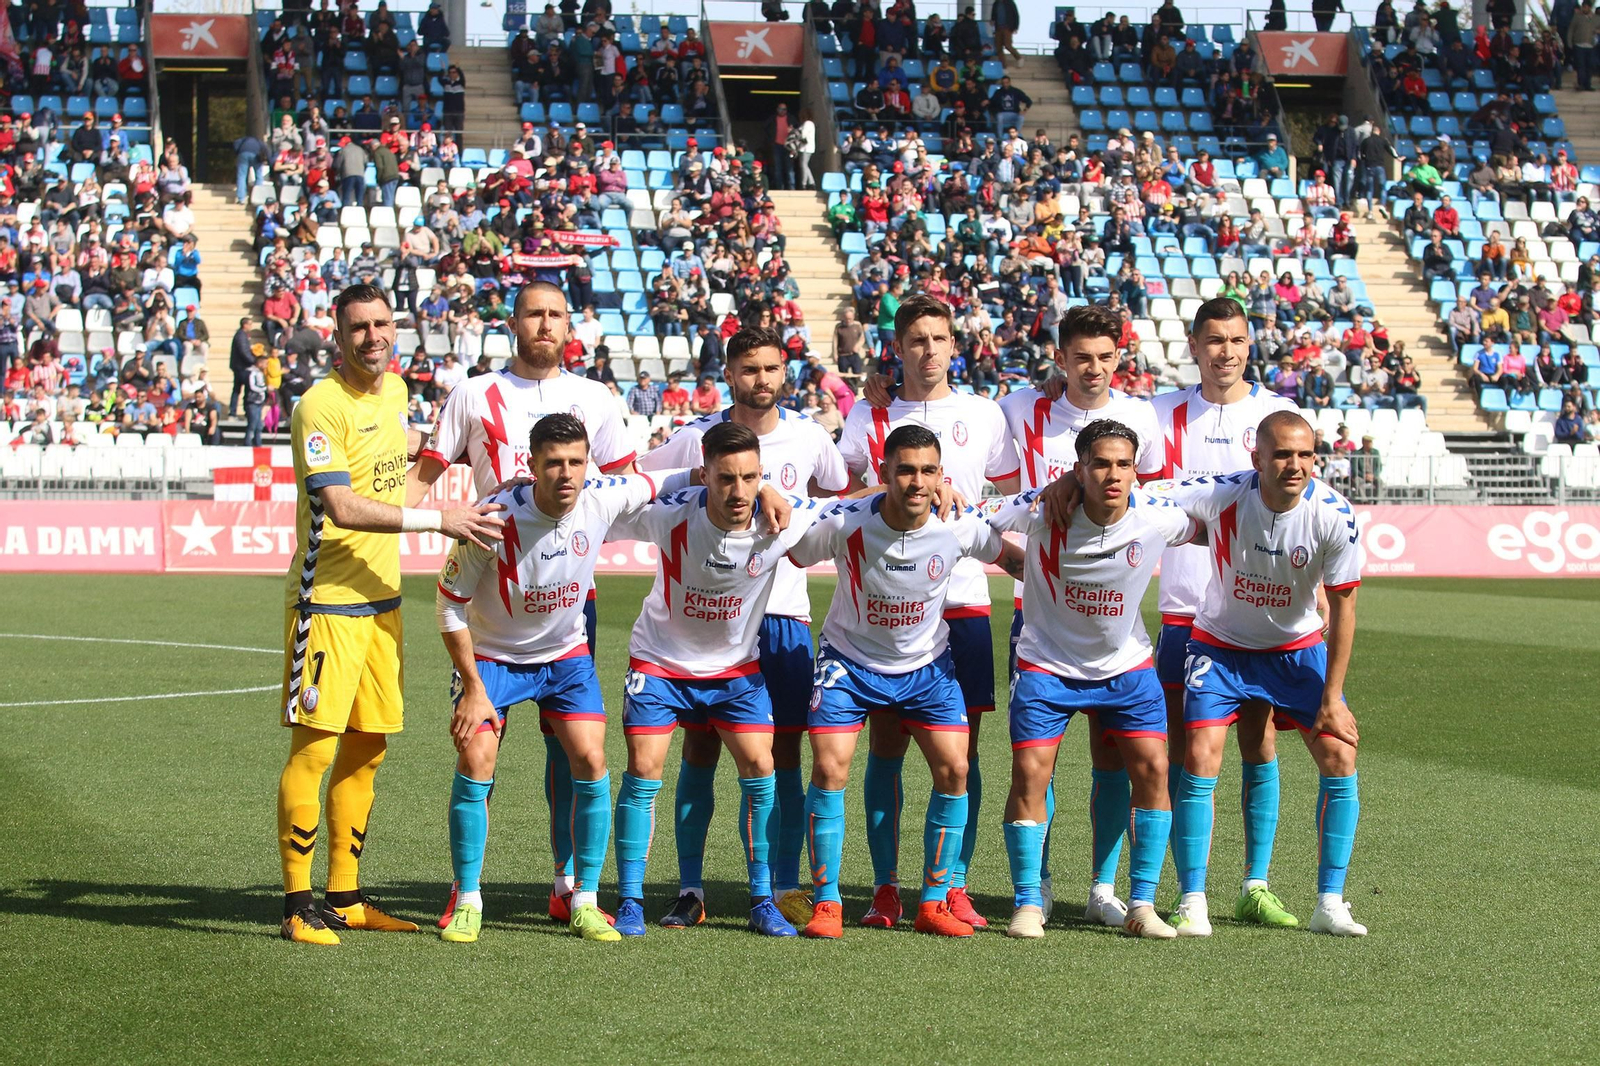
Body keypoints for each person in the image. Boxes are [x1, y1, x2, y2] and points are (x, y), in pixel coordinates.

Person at [1039, 298, 1301, 928]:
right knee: (1172, 752)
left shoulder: (1276, 417)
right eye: (1214, 340)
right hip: (1185, 608)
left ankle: (1256, 883)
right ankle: (1176, 890)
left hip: (1260, 609)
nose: (1226, 352)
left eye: (1237, 340)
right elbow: (1103, 444)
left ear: (1249, 345)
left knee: (1259, 741)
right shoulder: (1158, 414)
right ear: (1194, 344)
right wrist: (1065, 474)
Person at [275, 283, 504, 945]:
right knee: (316, 750)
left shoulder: (398, 391)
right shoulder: (320, 406)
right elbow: (343, 507)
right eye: (358, 328)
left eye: (381, 324)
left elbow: (390, 481)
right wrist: (441, 520)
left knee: (368, 750)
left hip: (383, 604)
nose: (372, 336)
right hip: (327, 605)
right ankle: (296, 905)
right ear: (337, 335)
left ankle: (343, 898)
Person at [409, 279, 637, 929]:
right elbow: (425, 480)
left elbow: (630, 484)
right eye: (533, 314)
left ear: (571, 327)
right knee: (482, 747)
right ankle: (467, 891)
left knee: (574, 748)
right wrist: (399, 526)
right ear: (513, 323)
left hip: (570, 604)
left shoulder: (594, 398)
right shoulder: (473, 393)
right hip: (492, 597)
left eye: (555, 315)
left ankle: (569, 882)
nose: (544, 324)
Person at [433, 414, 683, 944]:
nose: (566, 474)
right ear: (532, 464)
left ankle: (583, 898)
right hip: (493, 658)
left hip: (565, 658)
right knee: (478, 757)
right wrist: (473, 688)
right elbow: (449, 607)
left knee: (591, 760)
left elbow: (666, 480)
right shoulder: (494, 518)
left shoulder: (601, 496)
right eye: (554, 463)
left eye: (576, 462)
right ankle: (468, 897)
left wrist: (764, 487)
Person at [635, 327, 851, 927]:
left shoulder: (810, 436)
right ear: (729, 373)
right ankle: (690, 888)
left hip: (782, 617)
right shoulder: (691, 440)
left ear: (785, 373)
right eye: (749, 368)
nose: (762, 379)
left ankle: (779, 888)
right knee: (699, 748)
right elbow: (640, 483)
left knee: (780, 754)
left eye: (772, 368)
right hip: (707, 626)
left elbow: (841, 499)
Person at [791, 424, 1024, 939]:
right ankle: (829, 903)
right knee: (830, 768)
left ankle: (934, 901)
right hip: (849, 663)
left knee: (956, 769)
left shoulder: (959, 525)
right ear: (884, 474)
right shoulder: (847, 523)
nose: (917, 482)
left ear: (942, 475)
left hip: (926, 666)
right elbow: (797, 551)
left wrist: (1070, 576)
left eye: (927, 471)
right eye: (904, 471)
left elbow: (1010, 559)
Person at [842, 295, 1022, 929]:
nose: (927, 350)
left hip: (964, 598)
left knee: (961, 754)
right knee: (885, 746)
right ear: (897, 345)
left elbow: (1002, 491)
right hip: (886, 605)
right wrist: (895, 485)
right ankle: (886, 887)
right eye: (915, 339)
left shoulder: (984, 414)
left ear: (955, 345)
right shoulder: (868, 411)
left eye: (938, 338)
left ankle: (954, 885)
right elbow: (842, 499)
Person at [608, 421, 823, 939]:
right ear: (703, 474)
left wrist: (939, 490)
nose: (739, 490)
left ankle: (762, 898)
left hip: (735, 671)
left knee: (760, 765)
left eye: (751, 478)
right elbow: (601, 502)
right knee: (644, 768)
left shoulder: (785, 518)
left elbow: (865, 508)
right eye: (726, 478)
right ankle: (637, 898)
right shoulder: (669, 515)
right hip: (660, 664)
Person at [989, 420, 1200, 939]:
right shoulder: (1042, 509)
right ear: (1078, 468)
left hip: (1125, 667)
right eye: (1100, 463)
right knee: (1030, 774)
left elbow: (1220, 518)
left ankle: (1142, 904)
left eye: (1123, 464)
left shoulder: (1157, 517)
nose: (1113, 474)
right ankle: (1028, 903)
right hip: (1046, 664)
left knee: (1153, 769)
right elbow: (975, 519)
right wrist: (1028, 535)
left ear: (1136, 470)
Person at [997, 303, 1163, 924]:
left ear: (1120, 358)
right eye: (1080, 357)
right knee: (1037, 761)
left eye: (1105, 357)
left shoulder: (1142, 416)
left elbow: (1158, 501)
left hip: (1115, 614)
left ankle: (1103, 888)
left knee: (1114, 759)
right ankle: (1032, 889)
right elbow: (995, 502)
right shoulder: (1018, 409)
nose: (1093, 369)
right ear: (1059, 359)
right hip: (1040, 615)